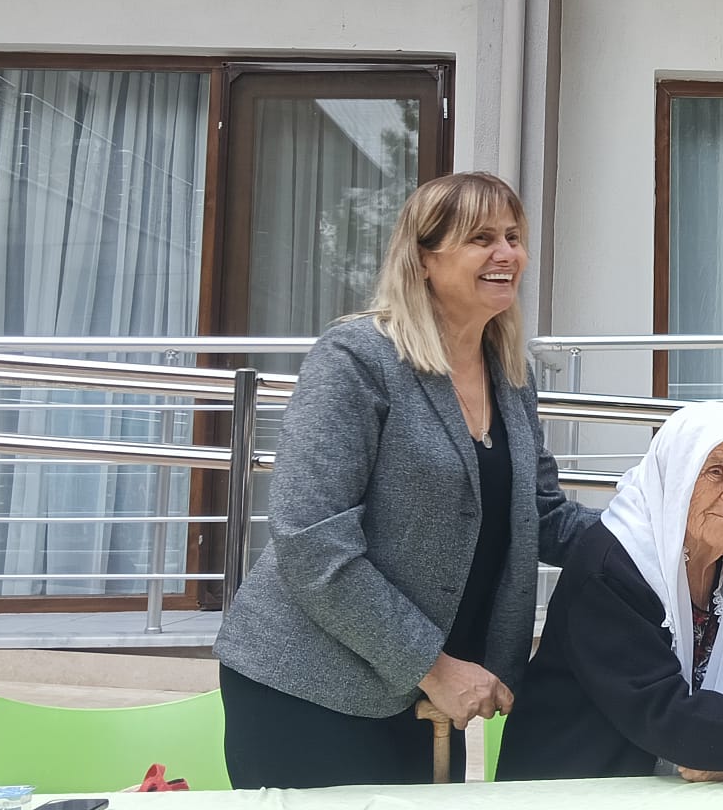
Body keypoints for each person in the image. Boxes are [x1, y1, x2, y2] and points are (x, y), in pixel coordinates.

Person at [215, 171, 596, 787]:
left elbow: (541, 513)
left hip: (426, 696)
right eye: (481, 239)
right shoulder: (356, 358)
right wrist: (434, 667)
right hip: (310, 687)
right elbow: (311, 540)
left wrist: (658, 536)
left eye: (513, 237)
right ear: (423, 258)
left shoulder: (511, 374)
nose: (506, 254)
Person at [494, 401, 723, 781]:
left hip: (679, 785)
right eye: (715, 472)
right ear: (676, 474)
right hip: (574, 782)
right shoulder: (610, 567)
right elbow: (661, 714)